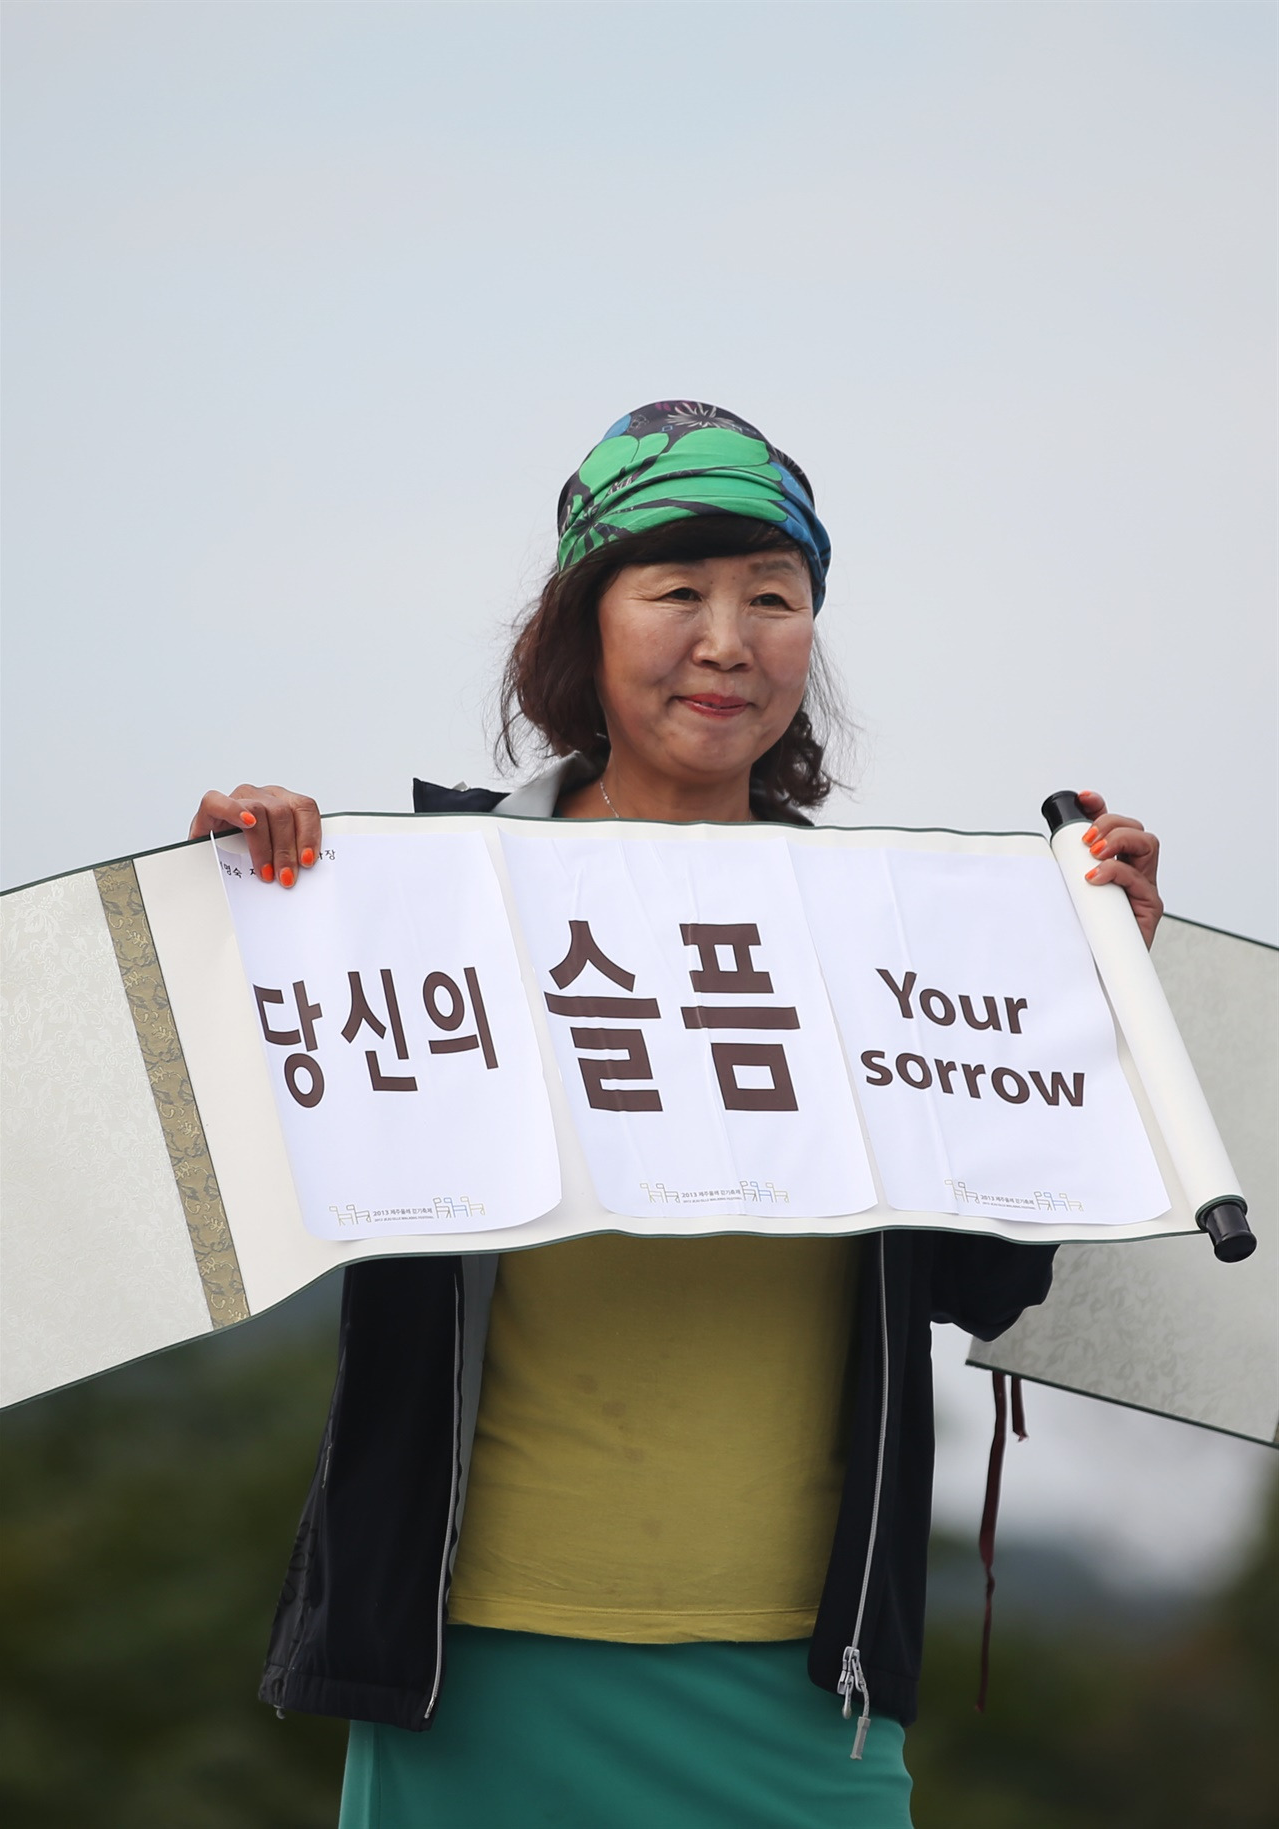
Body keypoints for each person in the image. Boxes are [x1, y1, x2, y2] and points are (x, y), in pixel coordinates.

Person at [189, 402, 1164, 1828]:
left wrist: (1086, 1007)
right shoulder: (421, 895)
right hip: (474, 1667)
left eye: (773, 597)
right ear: (583, 627)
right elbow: (249, 1171)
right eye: (677, 592)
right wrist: (232, 919)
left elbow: (985, 1284)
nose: (728, 640)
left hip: (798, 1686)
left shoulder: (891, 935)